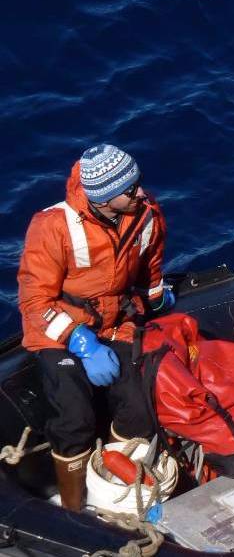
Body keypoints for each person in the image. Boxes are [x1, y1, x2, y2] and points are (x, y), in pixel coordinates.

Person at [17, 144, 172, 510]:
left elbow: (151, 264)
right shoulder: (52, 226)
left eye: (138, 184)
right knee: (74, 420)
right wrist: (79, 341)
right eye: (129, 189)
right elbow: (34, 302)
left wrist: (156, 300)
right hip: (60, 331)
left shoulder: (147, 214)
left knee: (138, 410)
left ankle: (113, 486)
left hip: (115, 323)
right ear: (103, 197)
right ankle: (74, 511)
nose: (139, 193)